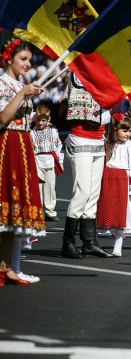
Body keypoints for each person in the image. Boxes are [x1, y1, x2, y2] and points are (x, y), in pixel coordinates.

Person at [0, 38, 44, 285]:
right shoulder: (2, 83)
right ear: (9, 58)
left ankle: (9, 267)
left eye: (29, 60)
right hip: (6, 145)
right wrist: (23, 93)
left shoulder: (20, 84)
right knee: (5, 203)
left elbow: (25, 120)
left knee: (16, 210)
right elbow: (3, 117)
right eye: (23, 59)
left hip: (23, 146)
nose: (28, 64)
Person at [62, 71, 112, 259]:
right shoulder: (80, 69)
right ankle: (67, 243)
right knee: (82, 191)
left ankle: (89, 242)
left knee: (92, 194)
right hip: (81, 136)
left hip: (98, 138)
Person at [95, 113, 131, 257]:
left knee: (122, 213)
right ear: (115, 129)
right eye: (125, 130)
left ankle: (118, 245)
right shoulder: (107, 143)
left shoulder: (130, 146)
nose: (128, 134)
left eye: (129, 131)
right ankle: (104, 238)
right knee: (109, 210)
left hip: (123, 180)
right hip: (108, 178)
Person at [31, 105, 64, 222]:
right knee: (38, 187)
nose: (40, 123)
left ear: (48, 119)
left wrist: (60, 161)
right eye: (39, 119)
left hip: (50, 160)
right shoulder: (32, 132)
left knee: (50, 187)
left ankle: (50, 211)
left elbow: (58, 145)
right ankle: (38, 211)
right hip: (37, 161)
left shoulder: (53, 130)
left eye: (43, 120)